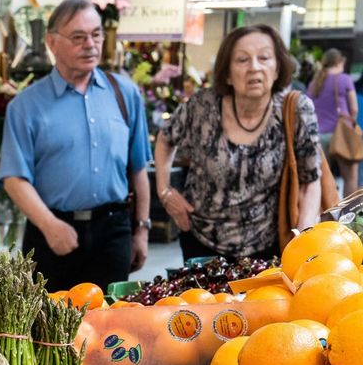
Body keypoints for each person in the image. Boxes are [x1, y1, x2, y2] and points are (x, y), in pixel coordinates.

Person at [0, 0, 151, 291]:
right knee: (50, 328)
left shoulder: (125, 94)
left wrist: (141, 230)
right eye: (78, 37)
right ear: (52, 43)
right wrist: (49, 225)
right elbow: (14, 178)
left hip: (113, 230)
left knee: (110, 326)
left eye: (96, 35)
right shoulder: (26, 106)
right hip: (51, 231)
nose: (90, 45)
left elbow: (139, 169)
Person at [154, 25, 322, 261]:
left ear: (277, 68)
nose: (254, 67)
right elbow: (165, 138)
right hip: (201, 243)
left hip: (268, 247)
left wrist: (303, 238)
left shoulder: (296, 111)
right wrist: (164, 190)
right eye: (242, 60)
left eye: (264, 57)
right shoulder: (202, 107)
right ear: (227, 73)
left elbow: (310, 180)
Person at [311, 49, 359, 197]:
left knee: (321, 181)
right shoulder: (344, 79)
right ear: (340, 62)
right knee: (350, 179)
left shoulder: (315, 82)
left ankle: (325, 216)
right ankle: (348, 218)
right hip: (340, 135)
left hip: (318, 136)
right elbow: (354, 109)